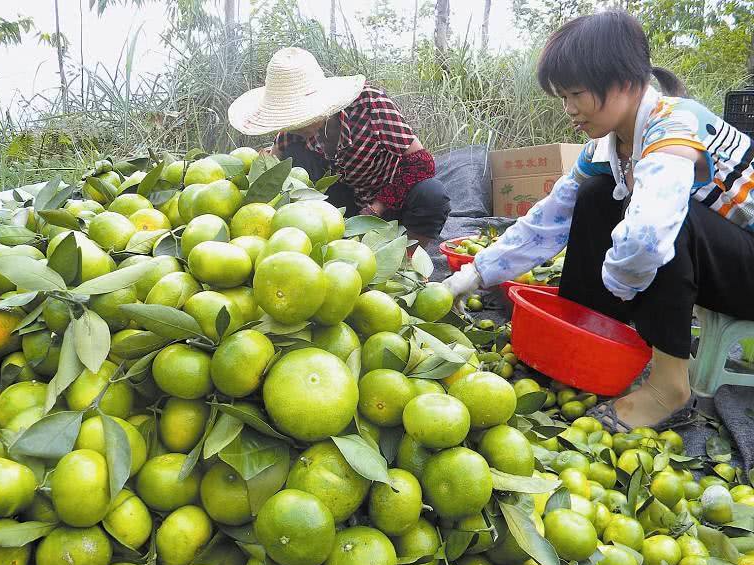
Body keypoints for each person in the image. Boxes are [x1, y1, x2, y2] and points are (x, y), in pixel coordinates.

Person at [444, 10, 754, 430]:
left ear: (625, 81)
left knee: (664, 220)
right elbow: (548, 219)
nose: (569, 109)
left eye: (576, 94)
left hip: (746, 273)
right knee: (593, 195)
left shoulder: (676, 123)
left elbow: (649, 235)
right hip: (719, 265)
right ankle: (588, 338)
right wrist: (475, 274)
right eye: (563, 97)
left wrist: (620, 285)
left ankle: (668, 388)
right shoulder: (608, 148)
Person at [228, 47, 451, 245]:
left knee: (431, 194)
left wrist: (378, 207)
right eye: (291, 121)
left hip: (392, 202)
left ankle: (408, 261)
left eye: (302, 119)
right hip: (346, 208)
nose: (296, 126)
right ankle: (330, 243)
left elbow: (421, 163)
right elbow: (272, 168)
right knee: (292, 159)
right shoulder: (291, 133)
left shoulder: (370, 105)